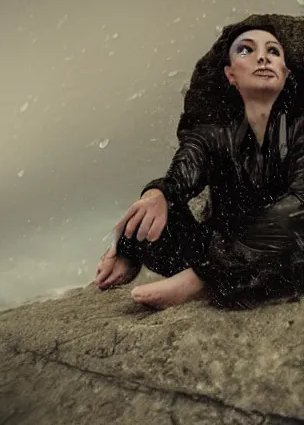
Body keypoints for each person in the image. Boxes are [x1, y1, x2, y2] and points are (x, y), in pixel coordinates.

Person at [94, 25, 304, 309]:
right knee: (158, 207)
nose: (262, 58)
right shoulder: (213, 134)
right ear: (230, 74)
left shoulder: (299, 128)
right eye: (246, 50)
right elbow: (182, 175)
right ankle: (145, 257)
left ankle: (201, 284)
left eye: (273, 51)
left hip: (285, 250)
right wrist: (154, 201)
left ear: (286, 72)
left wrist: (205, 271)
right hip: (222, 244)